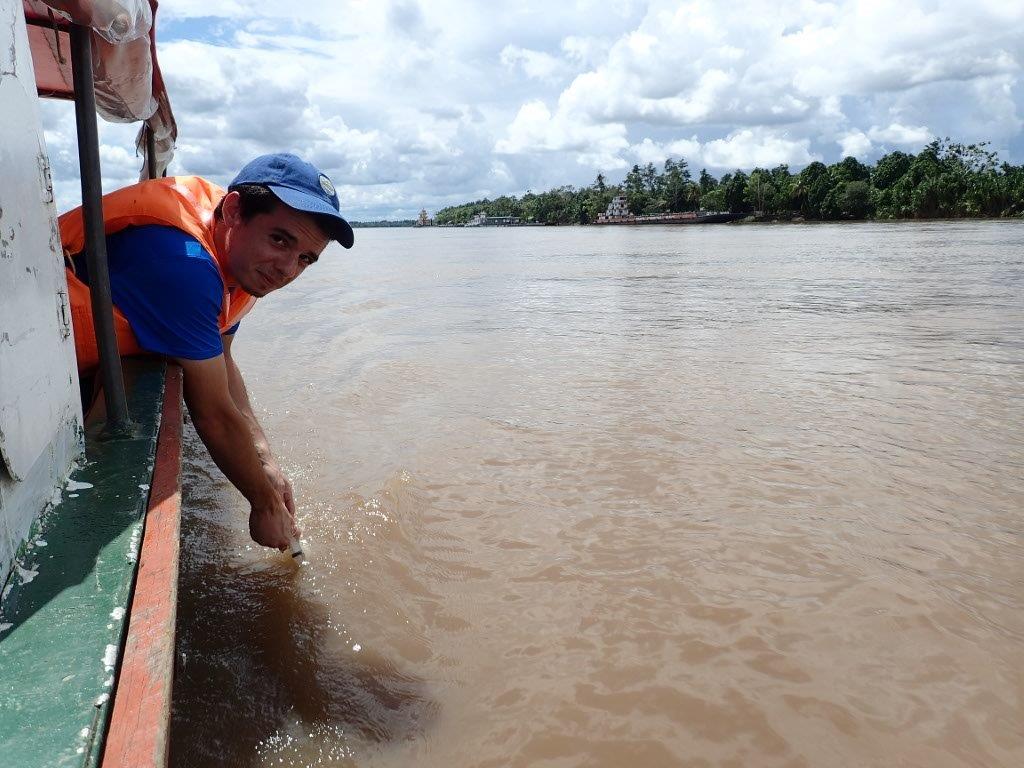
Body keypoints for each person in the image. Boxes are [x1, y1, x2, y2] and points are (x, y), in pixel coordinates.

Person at [59, 153, 354, 551]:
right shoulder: (186, 266)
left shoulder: (240, 262)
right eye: (280, 240)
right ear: (233, 211)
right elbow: (213, 412)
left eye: (305, 259)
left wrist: (265, 459)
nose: (287, 269)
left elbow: (223, 358)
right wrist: (264, 505)